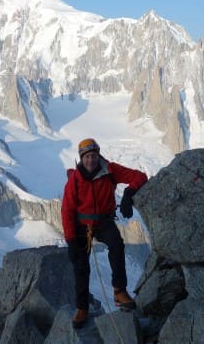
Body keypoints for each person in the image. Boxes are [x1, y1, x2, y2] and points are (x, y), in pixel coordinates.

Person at [61, 138, 148, 328]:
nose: (91, 160)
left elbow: (139, 176)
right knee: (80, 266)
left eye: (93, 156)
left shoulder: (110, 170)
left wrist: (128, 194)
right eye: (87, 157)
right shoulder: (75, 180)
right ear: (81, 158)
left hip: (104, 222)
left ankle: (119, 291)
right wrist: (71, 240)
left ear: (98, 155)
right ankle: (82, 308)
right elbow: (67, 210)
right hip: (81, 226)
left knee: (116, 245)